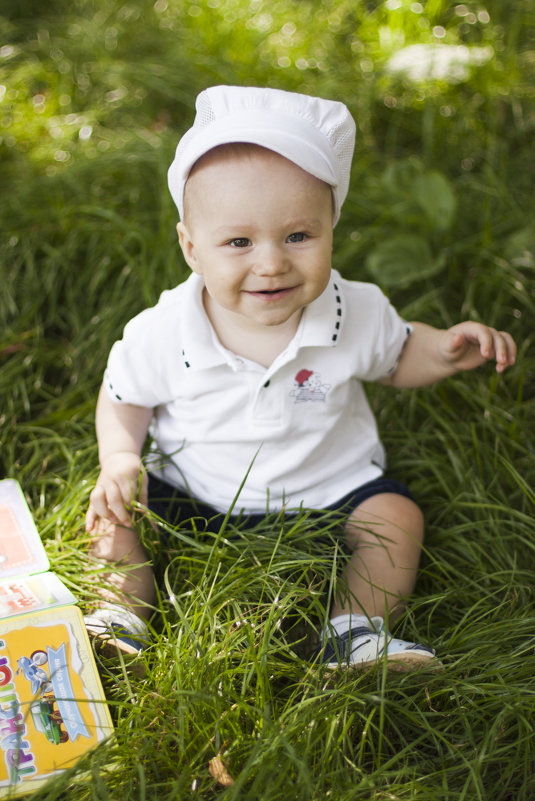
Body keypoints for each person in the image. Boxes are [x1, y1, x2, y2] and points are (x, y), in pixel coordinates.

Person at [84, 85, 516, 670]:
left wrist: (442, 349)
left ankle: (354, 633)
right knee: (113, 517)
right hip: (191, 486)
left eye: (298, 236)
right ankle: (121, 616)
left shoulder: (351, 310)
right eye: (239, 242)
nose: (271, 262)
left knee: (395, 519)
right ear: (191, 247)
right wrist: (119, 460)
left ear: (330, 228)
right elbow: (123, 398)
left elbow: (397, 355)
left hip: (328, 486)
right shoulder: (163, 332)